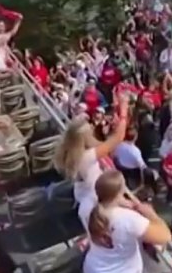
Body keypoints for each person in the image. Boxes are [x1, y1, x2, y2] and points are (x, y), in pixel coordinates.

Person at [80, 170, 172, 273]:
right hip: (125, 272)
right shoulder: (129, 219)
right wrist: (151, 214)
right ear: (120, 192)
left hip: (96, 267)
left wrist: (121, 203)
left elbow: (107, 208)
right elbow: (165, 237)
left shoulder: (87, 207)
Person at [54, 95, 131, 223]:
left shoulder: (71, 151)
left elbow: (102, 143)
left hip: (84, 193)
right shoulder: (86, 157)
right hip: (93, 199)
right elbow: (118, 138)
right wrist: (124, 110)